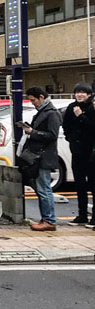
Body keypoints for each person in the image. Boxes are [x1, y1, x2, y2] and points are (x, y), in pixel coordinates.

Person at [23, 86, 62, 232]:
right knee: (42, 189)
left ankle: (49, 220)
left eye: (33, 100)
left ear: (41, 97)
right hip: (39, 155)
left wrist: (33, 132)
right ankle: (46, 218)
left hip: (44, 156)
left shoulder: (51, 113)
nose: (32, 103)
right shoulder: (43, 111)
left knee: (44, 189)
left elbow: (52, 135)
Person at [62, 83, 95, 227]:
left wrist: (81, 116)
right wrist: (70, 138)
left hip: (91, 151)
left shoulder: (92, 108)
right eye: (77, 92)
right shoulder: (71, 107)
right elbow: (66, 126)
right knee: (79, 184)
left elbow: (92, 128)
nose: (79, 95)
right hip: (76, 150)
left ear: (89, 94)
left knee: (93, 184)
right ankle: (82, 215)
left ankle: (94, 217)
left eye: (83, 92)